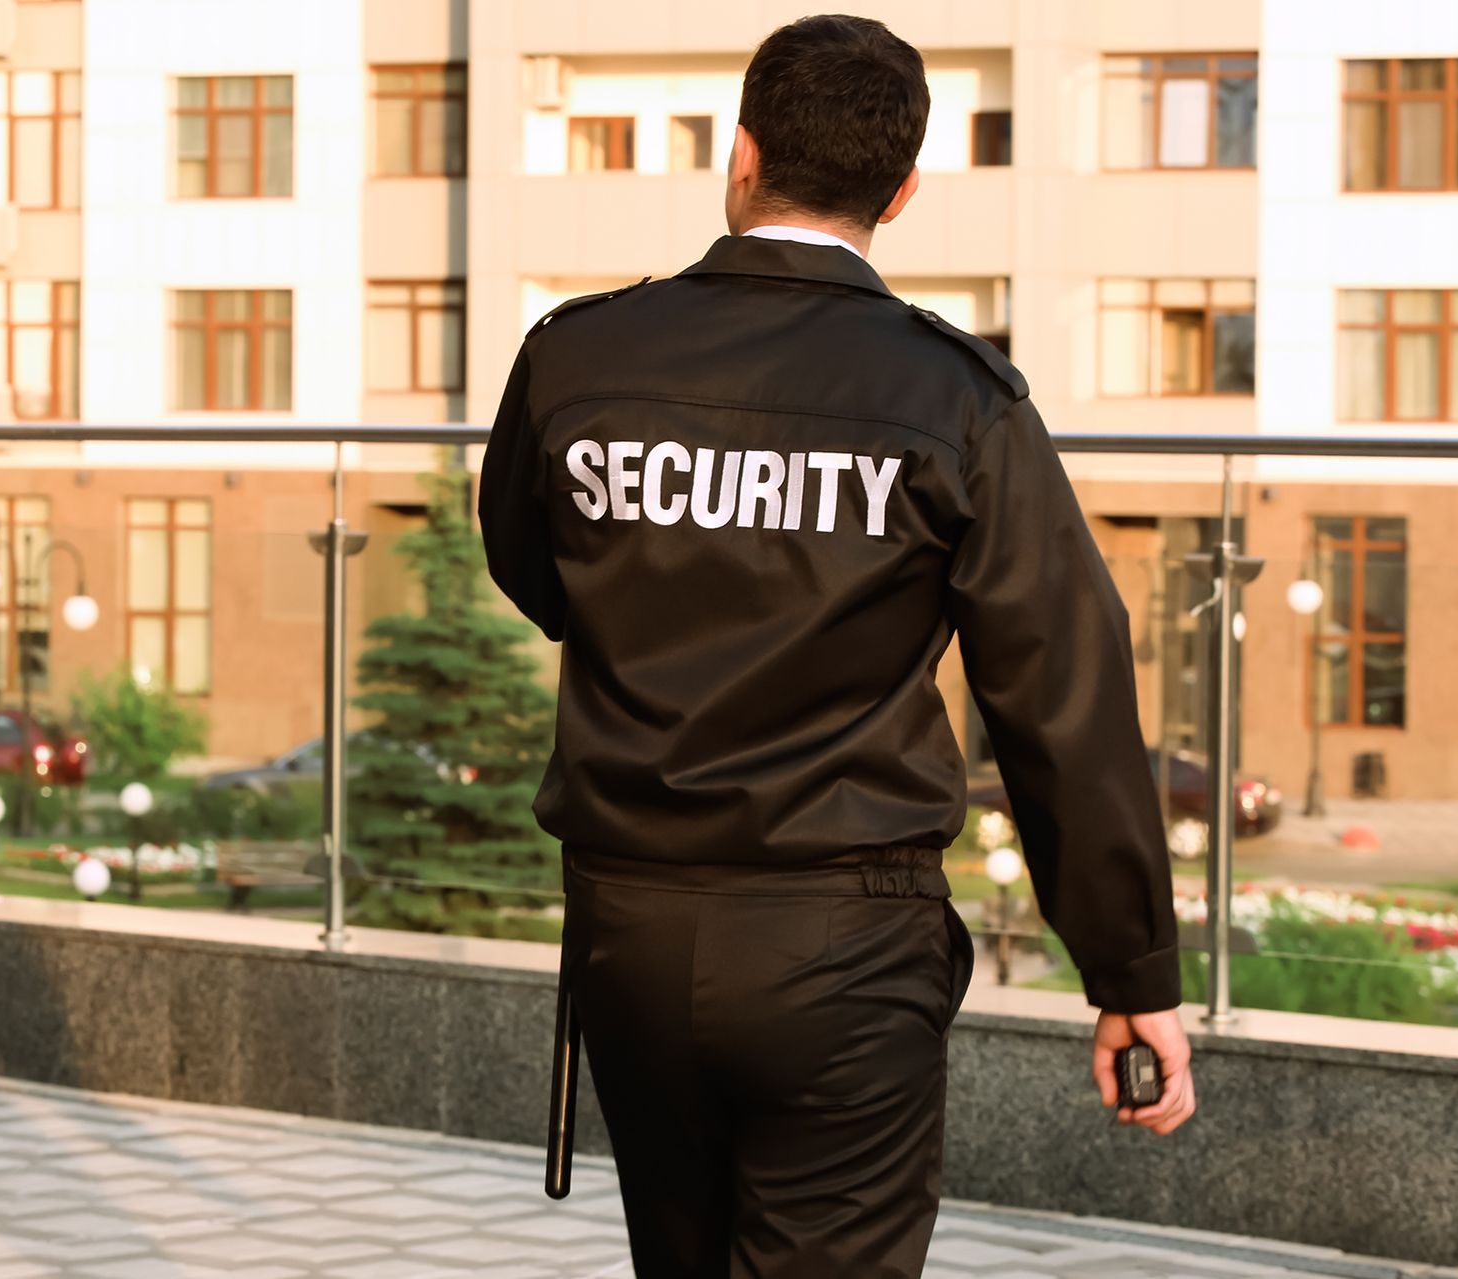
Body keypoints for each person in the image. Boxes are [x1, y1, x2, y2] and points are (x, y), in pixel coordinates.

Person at [478, 13, 1196, 1277]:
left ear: (741, 153)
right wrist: (1129, 973)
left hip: (627, 927)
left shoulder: (573, 356)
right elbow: (1060, 701)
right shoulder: (958, 398)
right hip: (844, 950)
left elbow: (535, 571)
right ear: (903, 190)